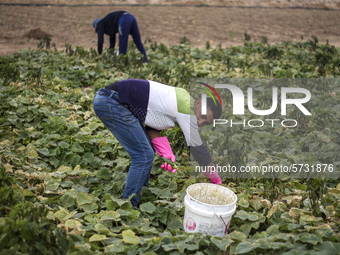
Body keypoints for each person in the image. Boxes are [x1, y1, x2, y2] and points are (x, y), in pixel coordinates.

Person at [92, 79, 222, 207]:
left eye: (205, 123)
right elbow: (198, 150)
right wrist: (216, 180)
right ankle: (128, 206)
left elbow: (152, 127)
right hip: (111, 101)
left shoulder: (179, 101)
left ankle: (142, 193)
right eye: (203, 116)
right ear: (199, 102)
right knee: (143, 156)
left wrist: (164, 151)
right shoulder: (186, 107)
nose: (200, 122)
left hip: (110, 99)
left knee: (147, 151)